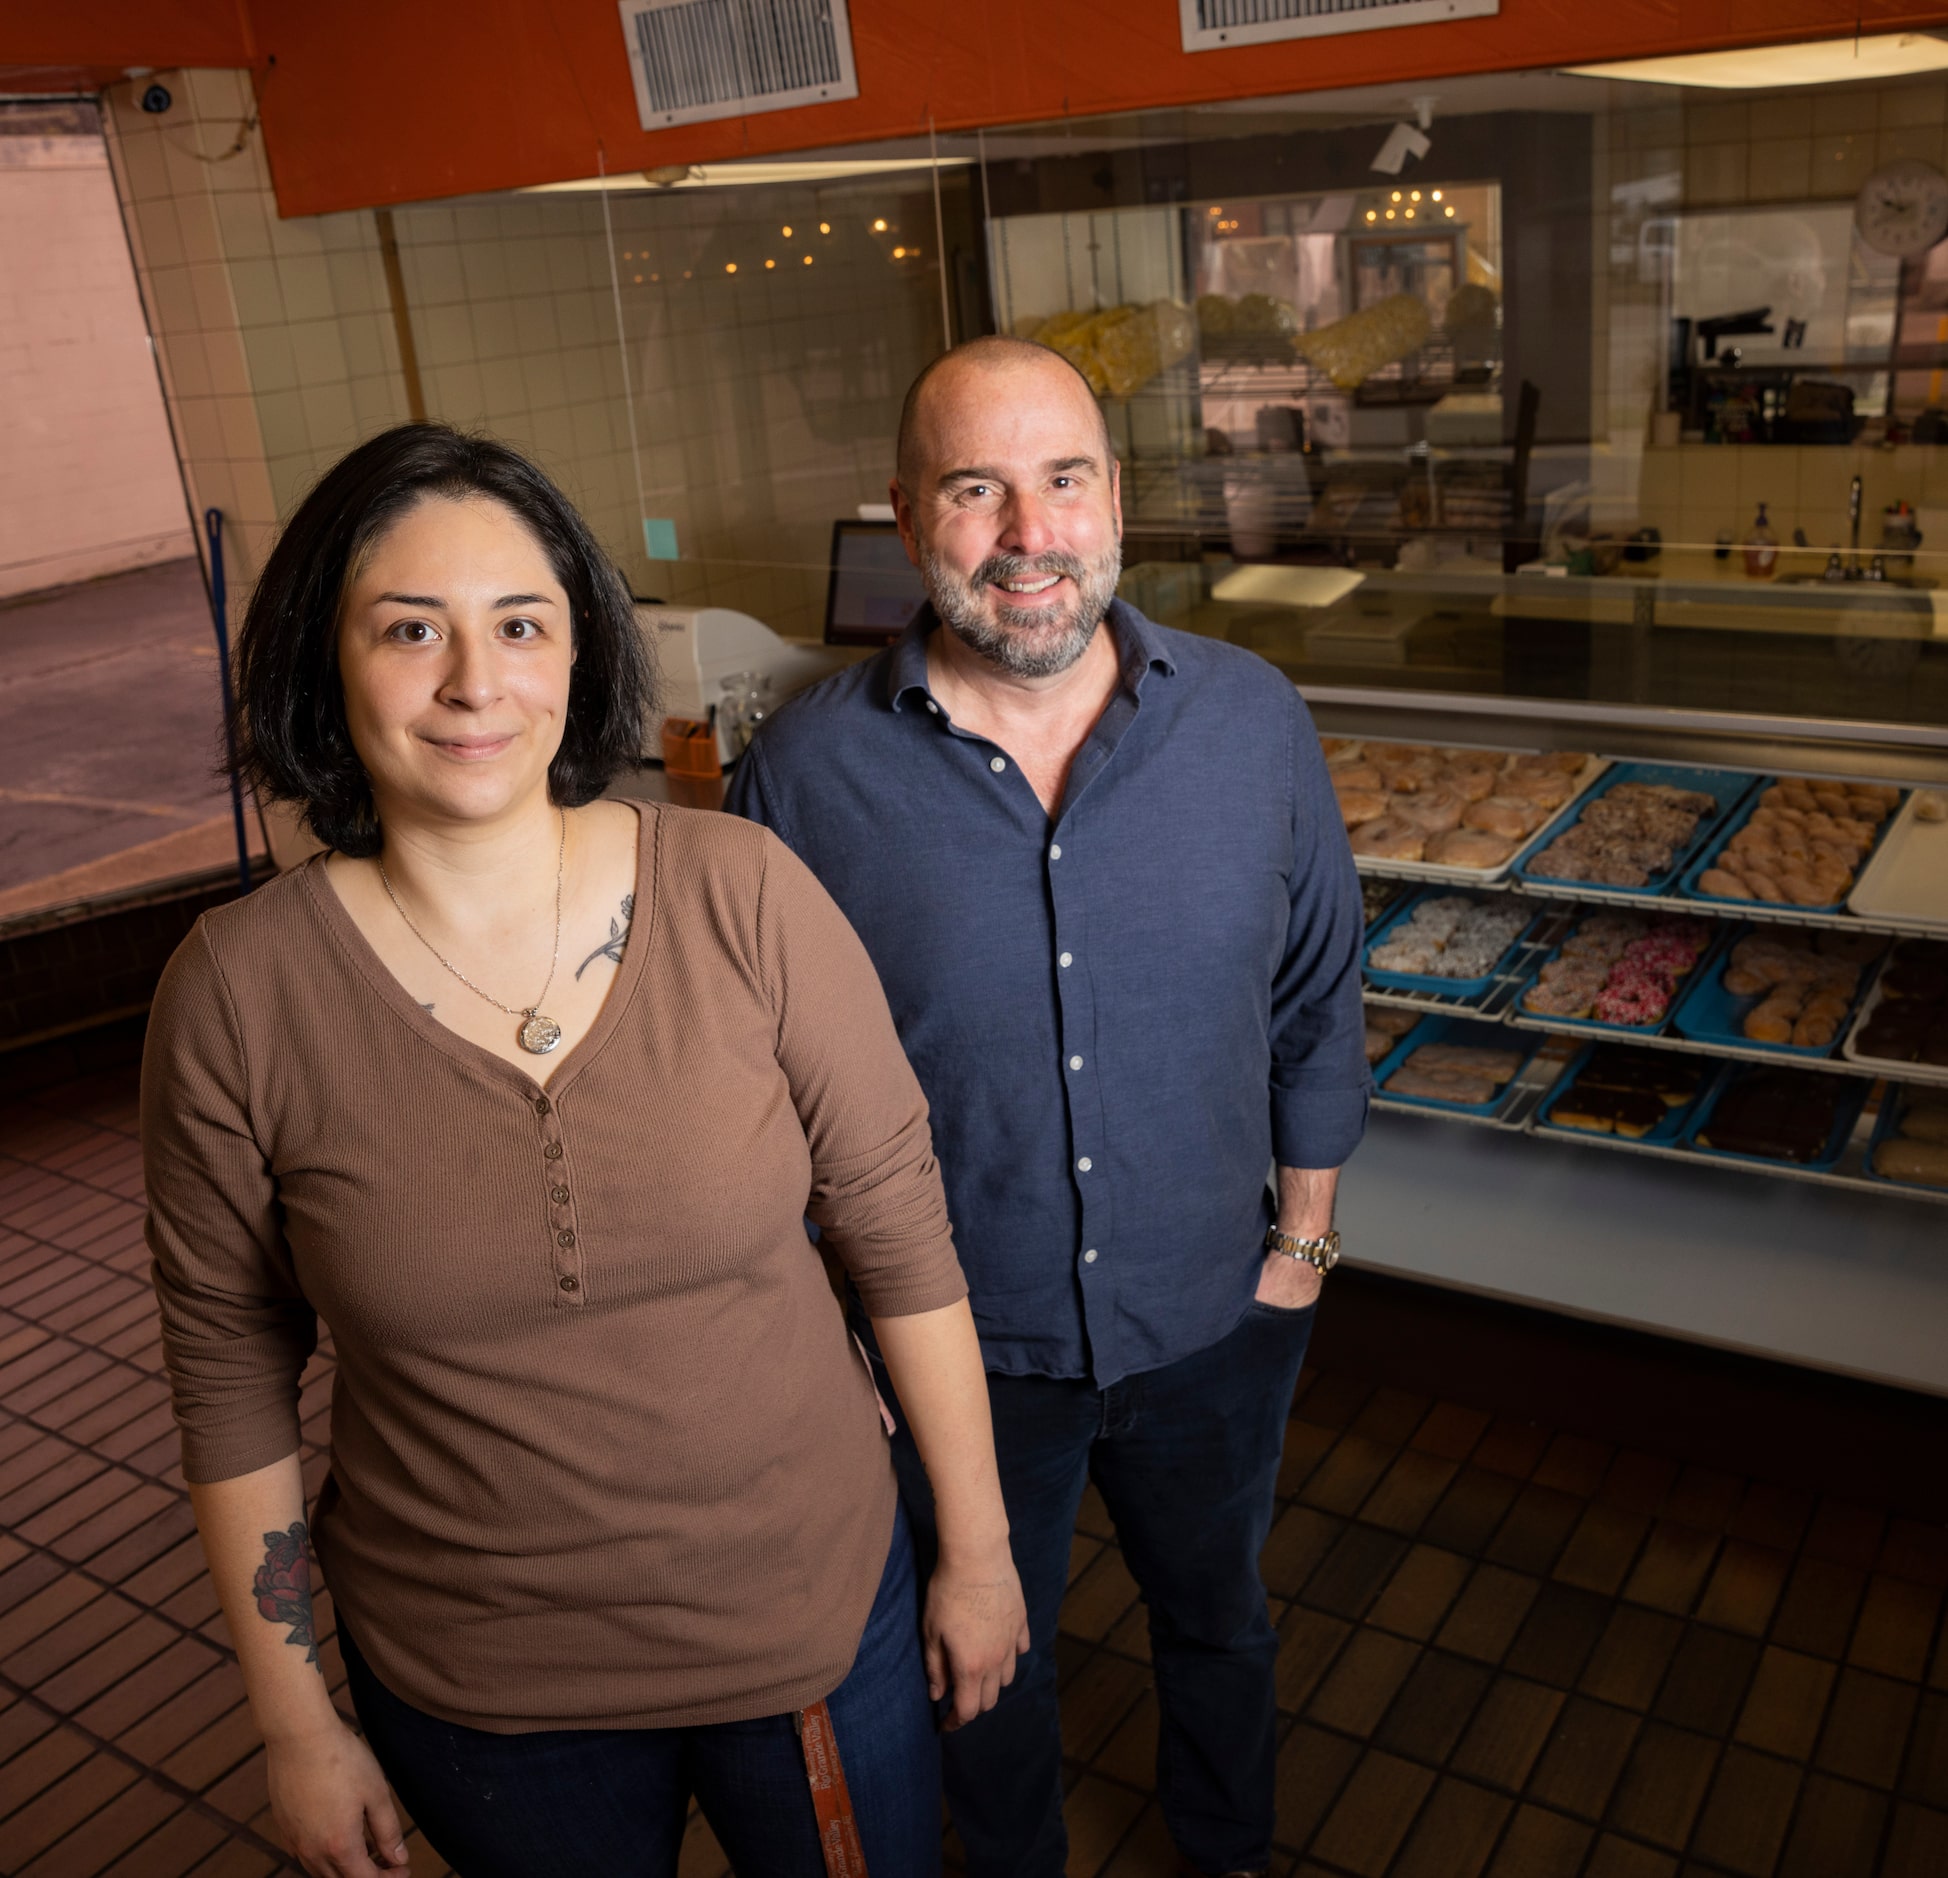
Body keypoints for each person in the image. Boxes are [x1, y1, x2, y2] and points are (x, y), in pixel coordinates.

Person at [141, 423, 1027, 1878]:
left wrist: (978, 1553)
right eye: (411, 627)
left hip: (804, 1622)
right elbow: (230, 1378)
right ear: (324, 660)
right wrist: (293, 1719)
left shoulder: (740, 892)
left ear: (580, 651)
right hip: (485, 1686)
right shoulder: (236, 995)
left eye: (521, 624)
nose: (475, 682)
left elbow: (901, 1238)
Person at [725, 337, 1369, 1878]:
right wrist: (838, 1337)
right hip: (957, 1350)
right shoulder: (803, 780)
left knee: (1219, 1618)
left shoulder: (1251, 718)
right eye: (978, 489)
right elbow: (751, 1103)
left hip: (1216, 1309)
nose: (1031, 533)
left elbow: (1320, 996)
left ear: (1116, 499)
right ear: (906, 514)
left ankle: (1227, 1852)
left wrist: (1303, 1251)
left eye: (1064, 479)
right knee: (978, 1654)